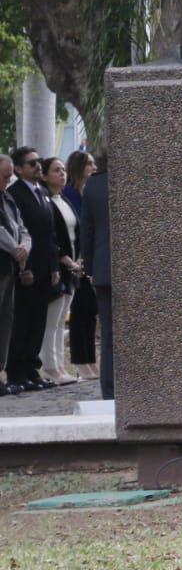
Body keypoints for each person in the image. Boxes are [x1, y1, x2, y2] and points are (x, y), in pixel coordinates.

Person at [4, 149, 56, 391]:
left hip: (45, 265)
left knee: (38, 320)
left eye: (38, 161)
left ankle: (32, 368)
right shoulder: (15, 194)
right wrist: (25, 264)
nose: (38, 166)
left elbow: (48, 233)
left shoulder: (43, 193)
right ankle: (17, 370)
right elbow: (16, 232)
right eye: (32, 163)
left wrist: (54, 266)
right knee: (22, 320)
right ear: (18, 168)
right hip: (26, 267)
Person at [36, 158, 83, 384]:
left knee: (61, 317)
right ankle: (50, 366)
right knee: (52, 320)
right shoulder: (46, 201)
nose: (62, 174)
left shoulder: (64, 200)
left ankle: (59, 366)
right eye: (56, 170)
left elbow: (75, 232)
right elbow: (50, 236)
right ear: (44, 176)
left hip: (73, 267)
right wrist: (64, 260)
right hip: (58, 266)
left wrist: (78, 259)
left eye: (63, 170)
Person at [75, 161, 113, 399]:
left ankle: (110, 391)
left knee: (109, 334)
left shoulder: (95, 185)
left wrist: (89, 267)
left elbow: (86, 230)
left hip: (104, 268)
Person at [63, 151, 98, 377]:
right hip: (75, 262)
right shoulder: (69, 194)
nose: (94, 168)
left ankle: (89, 360)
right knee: (79, 313)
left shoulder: (87, 192)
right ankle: (80, 361)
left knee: (89, 312)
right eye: (89, 164)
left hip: (88, 259)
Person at [0, 155, 28, 394]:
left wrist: (25, 246)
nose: (8, 180)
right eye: (4, 176)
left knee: (6, 320)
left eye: (10, 176)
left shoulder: (8, 198)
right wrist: (15, 248)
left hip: (10, 267)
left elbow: (21, 227)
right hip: (3, 261)